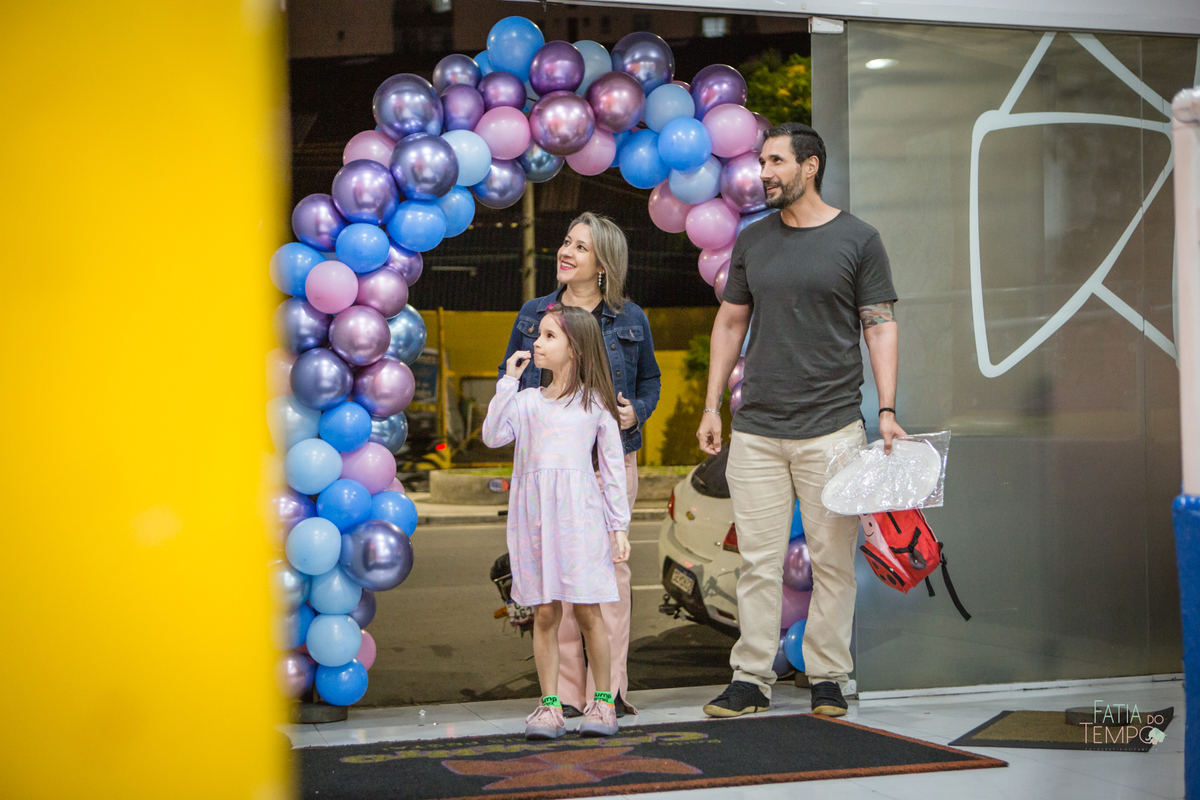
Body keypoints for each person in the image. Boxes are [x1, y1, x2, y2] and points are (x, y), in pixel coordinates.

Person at [696, 123, 906, 719]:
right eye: (762, 161)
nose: (763, 172)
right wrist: (712, 406)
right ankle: (750, 678)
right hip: (757, 430)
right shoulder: (754, 241)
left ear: (809, 166)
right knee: (757, 563)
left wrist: (886, 411)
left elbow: (879, 324)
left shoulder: (859, 240)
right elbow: (730, 323)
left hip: (833, 428)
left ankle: (829, 677)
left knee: (833, 562)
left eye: (776, 161)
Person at [499, 212, 661, 717]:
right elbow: (512, 380)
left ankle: (607, 694)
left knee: (606, 581)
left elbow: (650, 381)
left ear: (604, 263)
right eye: (566, 242)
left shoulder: (630, 318)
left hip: (609, 462)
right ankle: (564, 696)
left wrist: (639, 409)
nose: (566, 252)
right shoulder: (534, 314)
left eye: (580, 247)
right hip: (550, 466)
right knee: (554, 581)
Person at [483, 305, 632, 739]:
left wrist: (617, 526)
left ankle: (602, 704)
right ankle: (550, 707)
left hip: (580, 520)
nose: (537, 343)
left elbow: (612, 470)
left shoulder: (595, 404)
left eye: (549, 336)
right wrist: (508, 382)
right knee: (545, 612)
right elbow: (493, 435)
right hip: (535, 523)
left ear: (576, 348)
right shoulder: (527, 402)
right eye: (539, 336)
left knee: (588, 612)